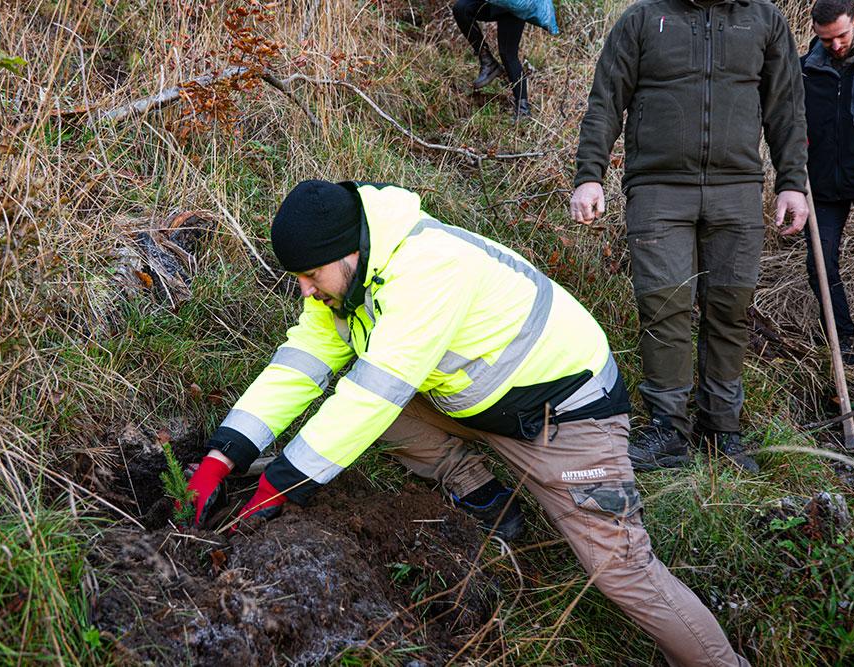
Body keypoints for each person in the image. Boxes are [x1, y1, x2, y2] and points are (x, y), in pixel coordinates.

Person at [186, 179, 750, 666]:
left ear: (345, 254)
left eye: (310, 276)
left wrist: (278, 485)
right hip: (479, 403)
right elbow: (300, 365)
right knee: (362, 400)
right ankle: (485, 494)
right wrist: (224, 453)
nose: (305, 291)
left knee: (622, 570)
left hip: (567, 419)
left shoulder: (427, 269)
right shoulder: (349, 279)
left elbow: (370, 397)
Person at [570, 0, 811, 473]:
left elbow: (786, 107)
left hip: (737, 191)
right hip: (658, 191)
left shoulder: (763, 20)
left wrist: (791, 183)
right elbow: (605, 98)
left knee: (730, 309)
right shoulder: (642, 19)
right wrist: (589, 174)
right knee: (665, 308)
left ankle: (722, 429)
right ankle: (668, 431)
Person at [801, 0, 854, 365]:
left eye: (841, 36)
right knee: (820, 264)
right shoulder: (805, 71)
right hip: (824, 187)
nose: (835, 45)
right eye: (825, 39)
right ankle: (844, 338)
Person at [452, 0, 531, 119]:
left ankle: (523, 109)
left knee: (508, 54)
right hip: (493, 4)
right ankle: (487, 60)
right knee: (461, 9)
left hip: (515, 6)